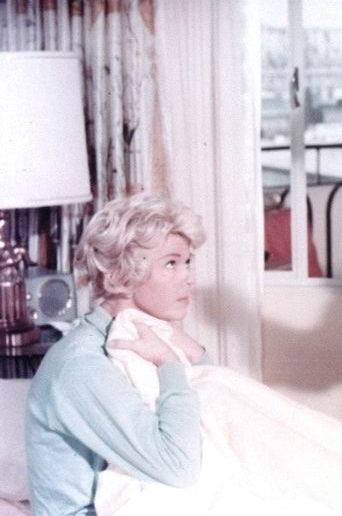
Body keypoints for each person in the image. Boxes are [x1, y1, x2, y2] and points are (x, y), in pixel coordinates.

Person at [25, 194, 210, 516]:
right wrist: (169, 363)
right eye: (171, 263)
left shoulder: (140, 337)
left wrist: (189, 348)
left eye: (187, 261)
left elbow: (211, 409)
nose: (188, 277)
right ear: (121, 275)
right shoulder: (82, 365)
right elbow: (178, 467)